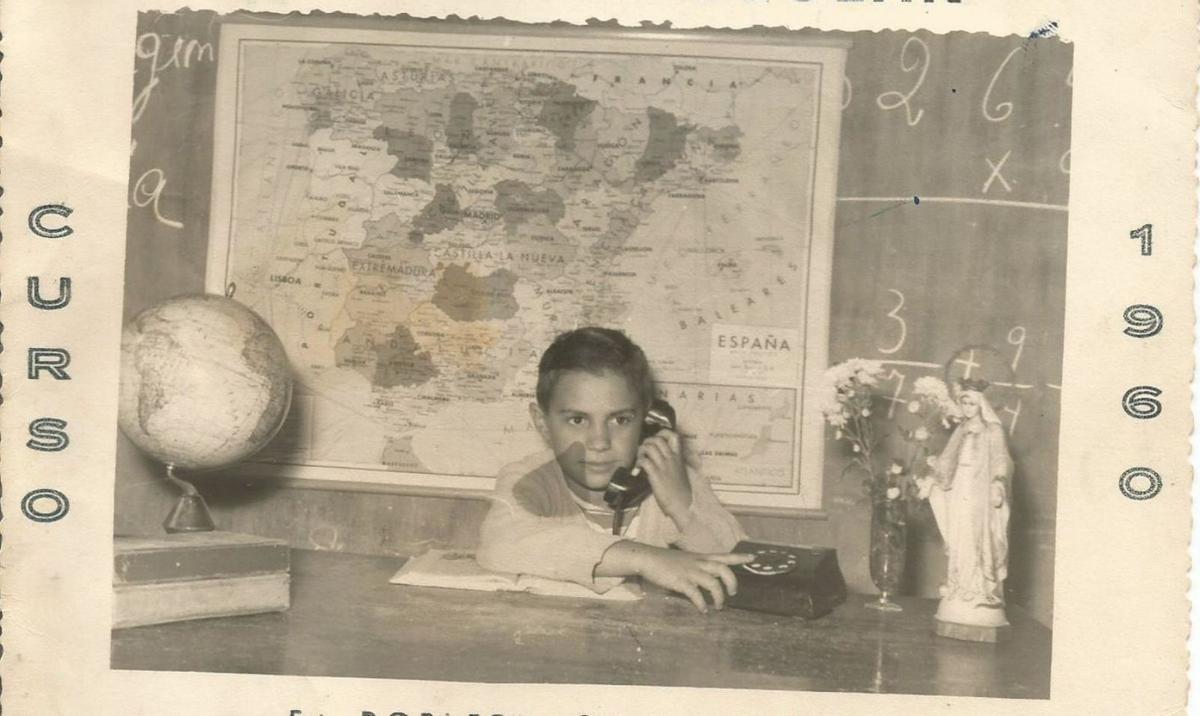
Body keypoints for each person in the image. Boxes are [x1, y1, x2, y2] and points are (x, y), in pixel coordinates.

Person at [476, 327, 750, 612]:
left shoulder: (672, 479)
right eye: (578, 420)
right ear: (543, 424)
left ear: (646, 421)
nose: (599, 443)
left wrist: (683, 506)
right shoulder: (528, 478)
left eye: (620, 420)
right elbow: (500, 542)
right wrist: (645, 559)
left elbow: (741, 568)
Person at [918, 379, 1013, 629]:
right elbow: (947, 461)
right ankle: (960, 588)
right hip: (961, 486)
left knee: (978, 536)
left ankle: (980, 590)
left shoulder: (993, 431)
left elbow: (1001, 461)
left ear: (981, 404)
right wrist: (932, 476)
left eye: (972, 402)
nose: (968, 407)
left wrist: (998, 484)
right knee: (960, 537)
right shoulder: (961, 430)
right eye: (965, 402)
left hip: (980, 491)